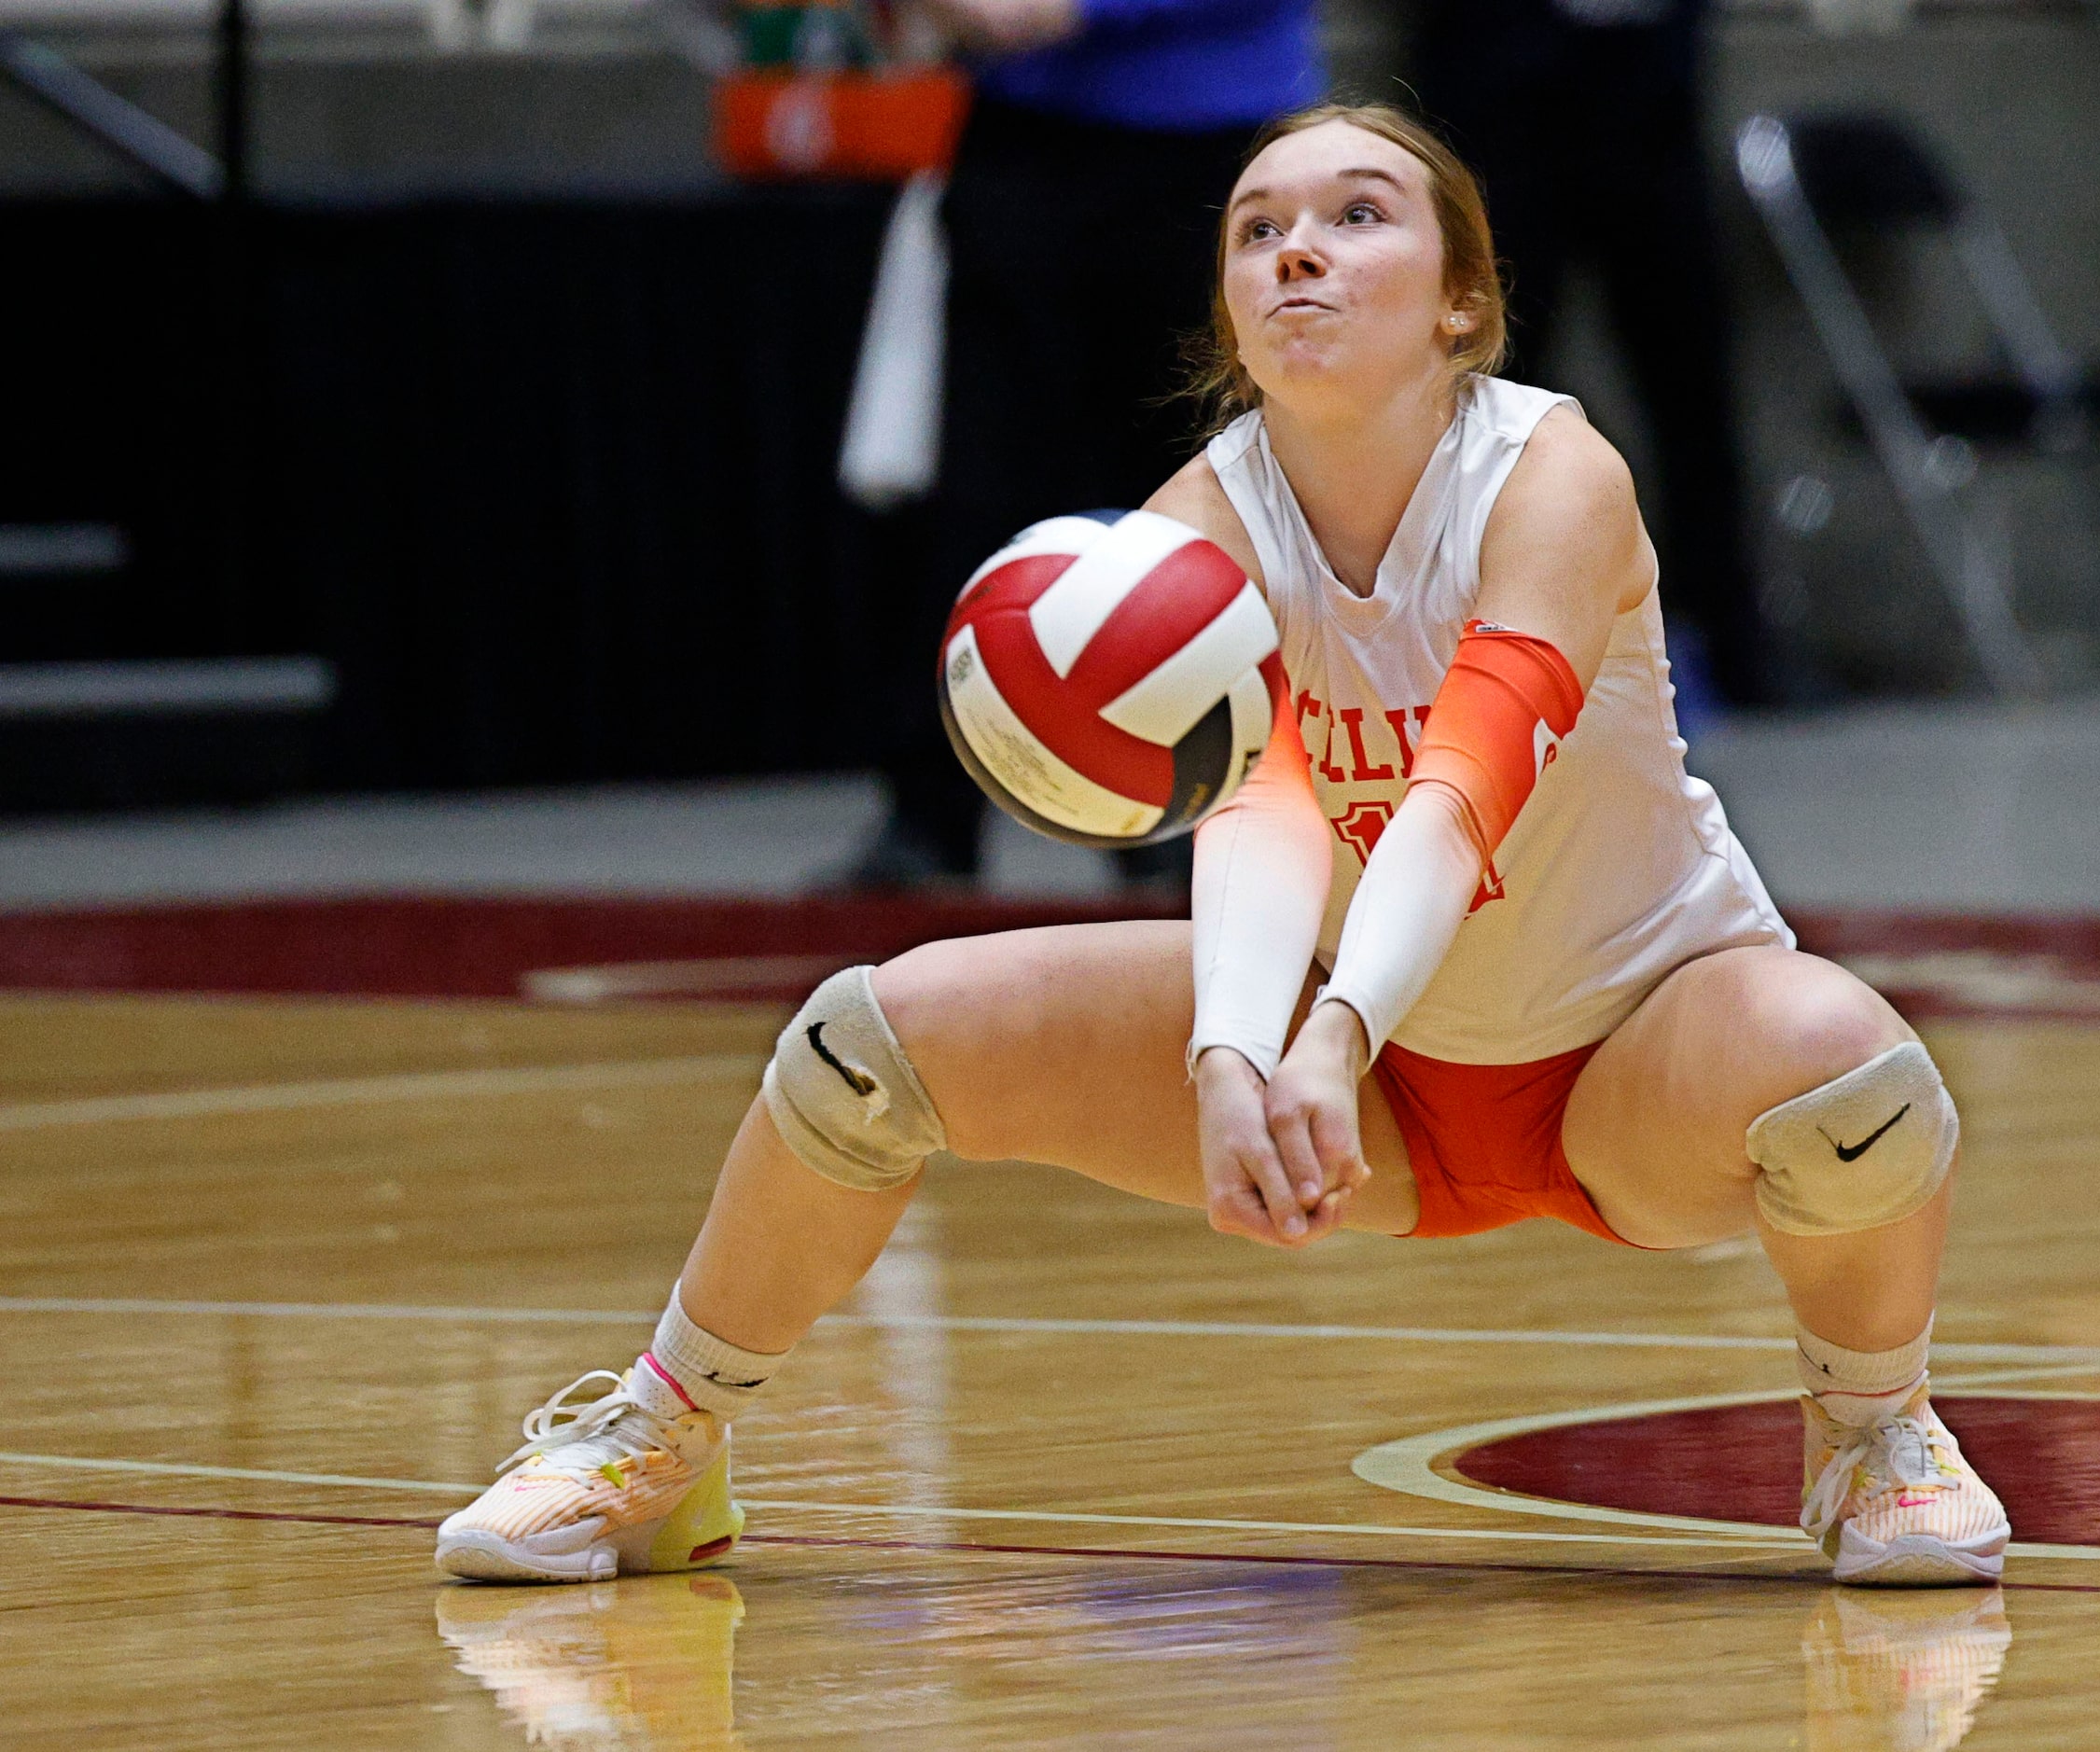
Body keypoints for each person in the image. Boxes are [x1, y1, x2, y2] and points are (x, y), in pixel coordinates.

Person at [437, 104, 2010, 1590]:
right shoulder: (1198, 526)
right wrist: (1230, 1057)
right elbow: (1253, 814)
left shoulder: (1555, 476)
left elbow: (1460, 793)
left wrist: (1319, 1037)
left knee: (1848, 1069)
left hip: (1639, 1052)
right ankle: (660, 1435)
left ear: (1462, 305)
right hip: (1380, 1081)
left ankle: (1874, 1431)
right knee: (867, 1043)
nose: (1297, 250)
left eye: (1354, 215)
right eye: (1259, 229)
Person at [858, 0, 1325, 887]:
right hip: (1021, 135)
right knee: (977, 484)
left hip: (1210, 141)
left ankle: (1208, 804)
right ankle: (931, 808)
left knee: (1210, 490)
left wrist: (1079, 8)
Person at [1408, 0, 1765, 712]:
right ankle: (1449, 639)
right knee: (1483, 374)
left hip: (1645, 60)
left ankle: (1730, 644)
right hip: (1498, 60)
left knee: (1691, 372)